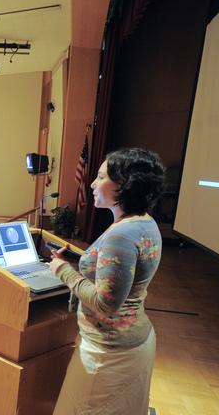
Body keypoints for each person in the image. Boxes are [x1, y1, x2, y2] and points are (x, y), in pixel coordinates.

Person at [47, 148, 167, 415]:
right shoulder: (144, 222)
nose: (91, 184)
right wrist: (86, 266)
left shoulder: (121, 235)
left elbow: (106, 303)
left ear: (124, 186)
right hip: (130, 342)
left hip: (109, 353)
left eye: (100, 177)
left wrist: (62, 270)